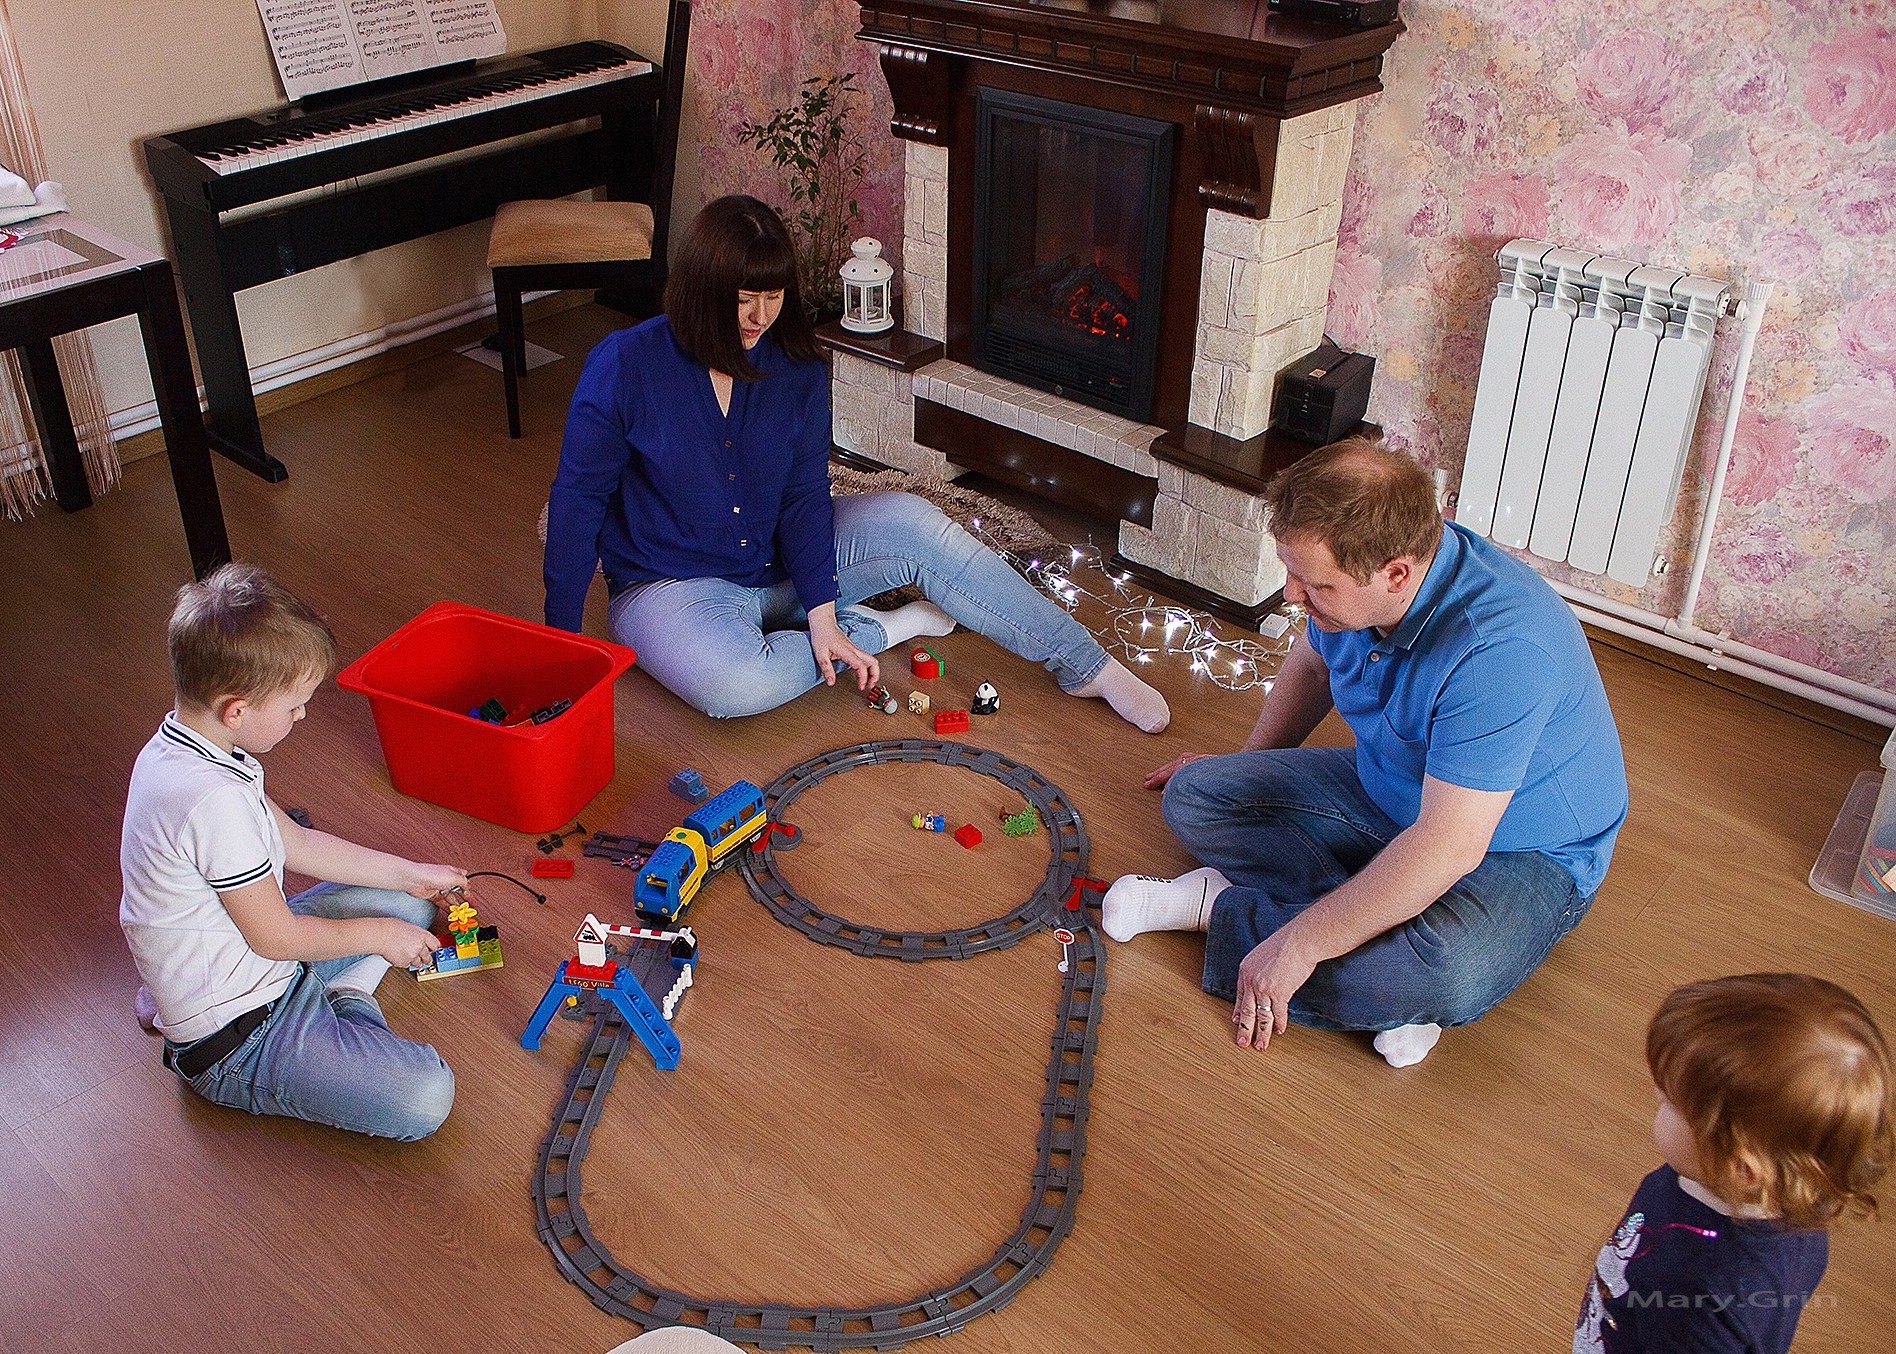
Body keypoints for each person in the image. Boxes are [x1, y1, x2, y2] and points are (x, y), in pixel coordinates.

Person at [541, 194, 1168, 732]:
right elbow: (578, 504)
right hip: (673, 586)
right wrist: (561, 649)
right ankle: (880, 630)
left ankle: (1087, 666)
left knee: (918, 523)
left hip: (780, 561)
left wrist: (816, 608)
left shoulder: (798, 367)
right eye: (743, 299)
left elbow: (805, 495)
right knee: (732, 687)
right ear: (701, 292)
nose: (763, 316)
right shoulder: (624, 365)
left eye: (775, 295)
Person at [1101, 436, 1627, 1067]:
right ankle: (1369, 944)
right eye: (1291, 572)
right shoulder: (1358, 583)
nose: (1291, 595)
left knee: (1446, 977)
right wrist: (1242, 769)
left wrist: (1298, 947)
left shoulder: (1503, 653)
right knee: (1197, 794)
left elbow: (1450, 845)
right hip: (1392, 790)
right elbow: (1312, 667)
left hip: (1520, 848)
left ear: (1396, 574)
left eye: (1312, 583)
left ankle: (1216, 909)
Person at [120, 563, 461, 1140]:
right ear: (238, 710)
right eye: (296, 705)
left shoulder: (190, 747)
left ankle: (180, 990)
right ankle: (347, 995)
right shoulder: (211, 803)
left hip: (248, 951)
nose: (303, 716)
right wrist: (378, 938)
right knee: (425, 1094)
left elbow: (297, 842)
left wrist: (411, 874)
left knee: (408, 903)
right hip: (241, 1033)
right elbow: (275, 938)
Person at [1573, 974, 1892, 1354]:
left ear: (1742, 1168)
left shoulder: (1694, 1294)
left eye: (1668, 1103)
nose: (1654, 1097)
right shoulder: (1802, 1217)